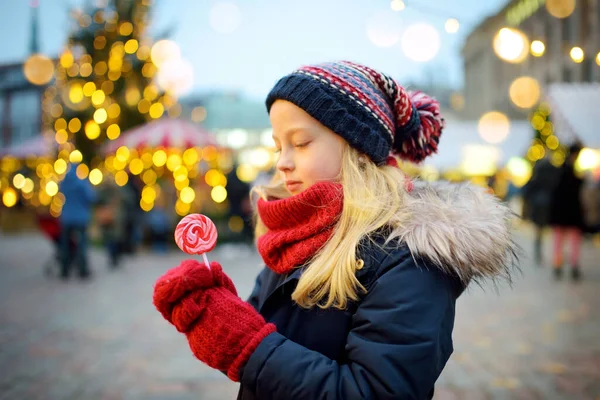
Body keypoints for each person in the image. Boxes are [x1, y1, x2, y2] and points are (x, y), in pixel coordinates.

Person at [152, 61, 517, 399]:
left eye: (300, 142)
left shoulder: (409, 257)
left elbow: (377, 390)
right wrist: (220, 312)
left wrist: (248, 347)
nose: (282, 162)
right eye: (278, 145)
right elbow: (278, 334)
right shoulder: (296, 234)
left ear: (356, 147)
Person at [548, 142, 585, 280]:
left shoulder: (559, 172)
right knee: (573, 240)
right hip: (572, 214)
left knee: (558, 241)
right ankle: (573, 265)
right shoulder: (575, 174)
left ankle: (558, 265)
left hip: (560, 214)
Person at [58, 164, 96, 279]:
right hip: (80, 218)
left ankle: (64, 270)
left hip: (66, 218)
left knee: (65, 245)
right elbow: (91, 197)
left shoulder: (64, 183)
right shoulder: (81, 183)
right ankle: (83, 270)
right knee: (81, 244)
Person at [521, 154, 558, 265]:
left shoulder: (536, 174)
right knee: (553, 232)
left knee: (539, 231)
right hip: (550, 205)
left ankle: (539, 253)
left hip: (537, 205)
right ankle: (555, 256)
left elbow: (527, 191)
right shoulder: (554, 173)